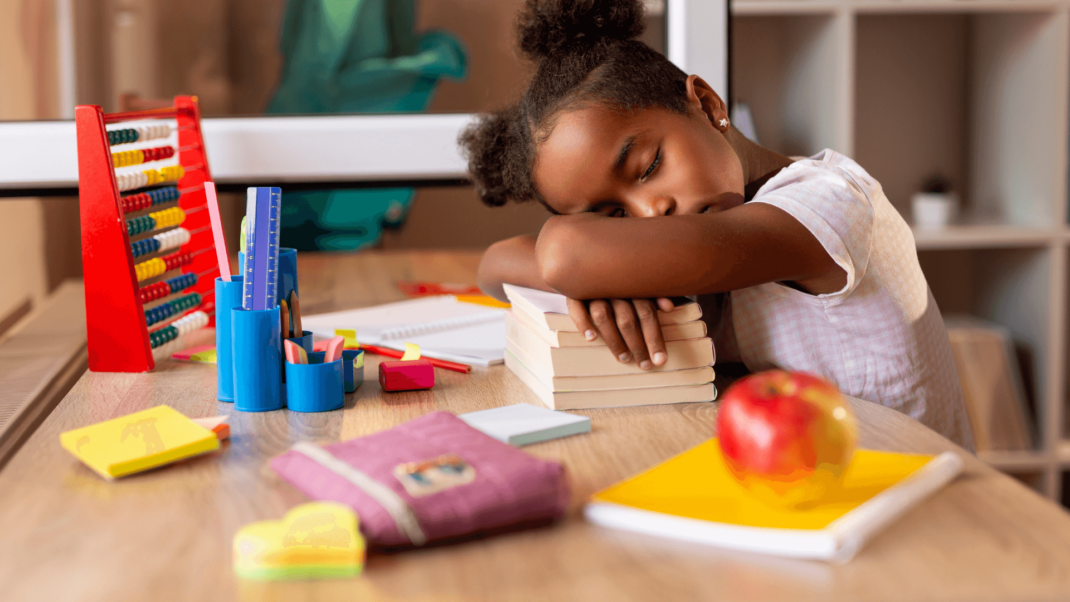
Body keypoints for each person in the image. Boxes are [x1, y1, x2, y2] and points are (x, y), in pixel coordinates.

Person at [463, 0, 973, 449]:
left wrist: (590, 264)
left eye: (646, 168)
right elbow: (493, 266)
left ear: (707, 105)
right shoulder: (713, 221)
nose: (650, 214)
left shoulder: (828, 205)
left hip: (925, 506)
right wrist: (600, 277)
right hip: (815, 486)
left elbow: (564, 255)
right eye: (614, 216)